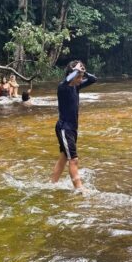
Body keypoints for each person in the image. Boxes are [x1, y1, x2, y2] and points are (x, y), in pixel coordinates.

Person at [51, 60, 97, 190]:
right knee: (74, 159)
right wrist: (76, 71)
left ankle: (52, 184)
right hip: (64, 128)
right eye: (79, 77)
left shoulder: (76, 86)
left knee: (64, 158)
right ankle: (80, 189)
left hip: (71, 128)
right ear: (72, 75)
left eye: (81, 77)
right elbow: (67, 80)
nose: (81, 79)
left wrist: (83, 71)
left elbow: (94, 79)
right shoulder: (62, 87)